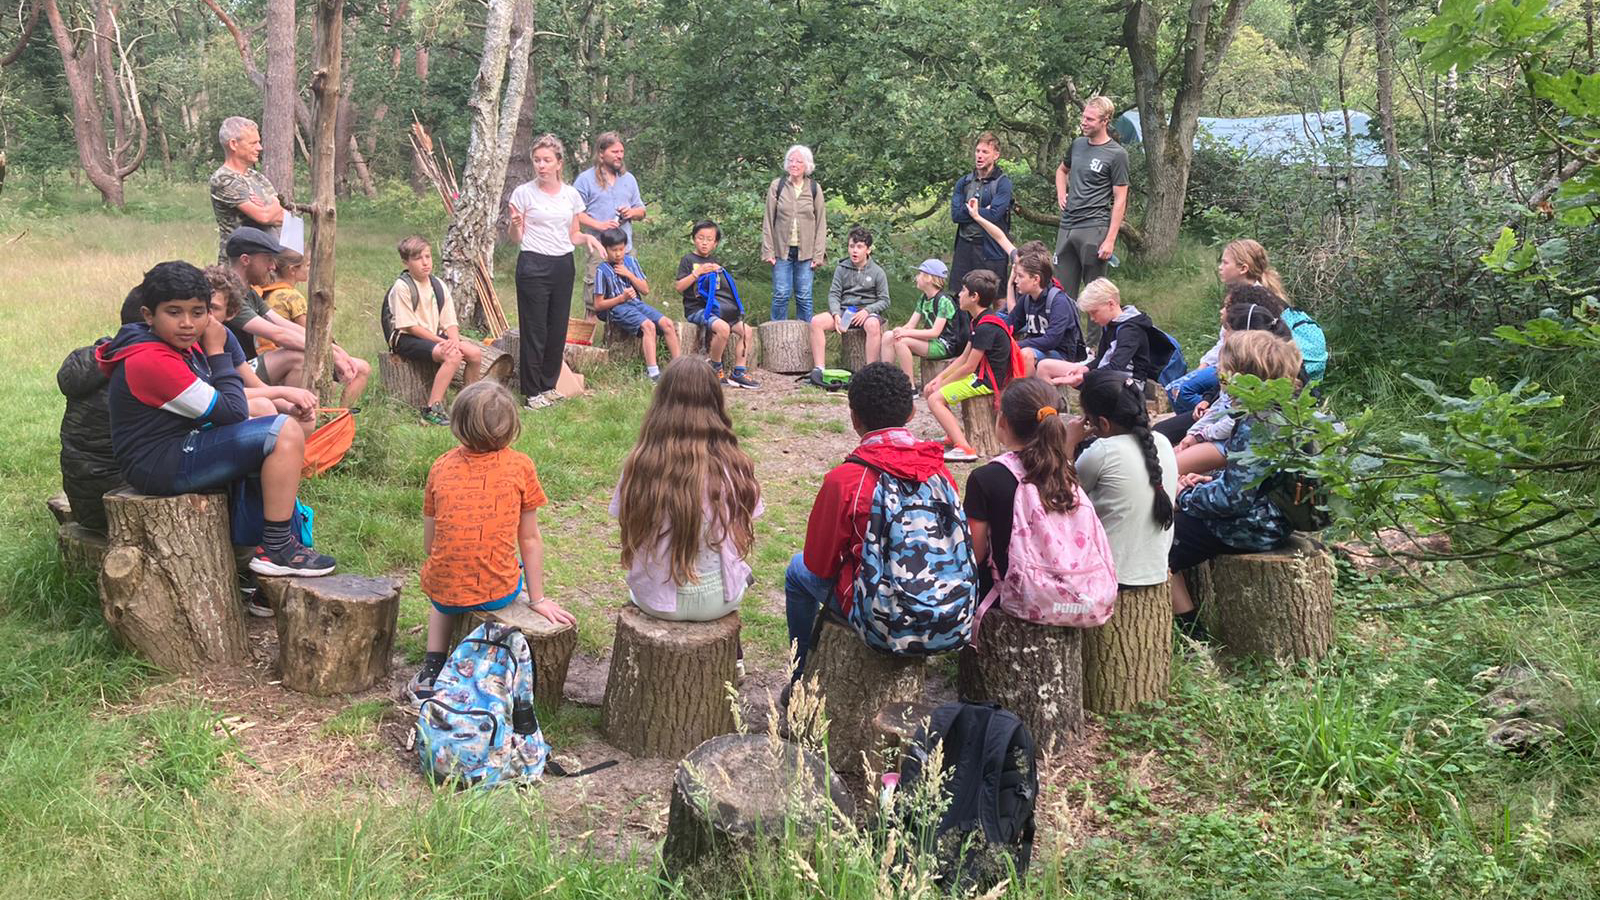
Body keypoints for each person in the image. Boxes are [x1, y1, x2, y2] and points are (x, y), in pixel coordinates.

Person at [95, 261, 334, 578]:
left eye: (197, 312)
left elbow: (217, 401)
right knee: (282, 432)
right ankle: (277, 548)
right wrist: (217, 351)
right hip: (157, 463)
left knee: (270, 435)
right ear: (149, 315)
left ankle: (254, 568)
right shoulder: (151, 359)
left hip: (178, 444)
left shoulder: (172, 345)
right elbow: (230, 410)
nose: (187, 323)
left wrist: (274, 397)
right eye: (174, 312)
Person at [404, 380, 576, 702]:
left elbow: (430, 545)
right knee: (511, 562)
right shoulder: (521, 466)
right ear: (512, 427)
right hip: (498, 592)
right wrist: (537, 600)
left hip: (444, 586)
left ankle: (432, 669)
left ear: (457, 425)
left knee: (441, 599)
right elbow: (529, 538)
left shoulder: (440, 466)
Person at [784, 363, 955, 678]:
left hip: (881, 617)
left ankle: (800, 676)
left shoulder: (846, 480)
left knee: (796, 571)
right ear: (912, 414)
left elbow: (819, 564)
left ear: (854, 418)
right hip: (947, 612)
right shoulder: (939, 471)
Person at [611, 358, 763, 673]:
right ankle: (735, 658)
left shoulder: (641, 463)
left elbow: (624, 519)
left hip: (656, 600)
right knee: (740, 569)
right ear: (715, 402)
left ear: (662, 403)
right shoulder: (734, 464)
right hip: (719, 599)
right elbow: (745, 524)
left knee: (634, 586)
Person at [1166, 331, 1307, 632]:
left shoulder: (1259, 422)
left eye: (1225, 370)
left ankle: (1192, 634)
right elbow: (1252, 479)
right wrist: (1207, 481)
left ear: (1245, 375)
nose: (1220, 376)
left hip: (1254, 526)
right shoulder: (1286, 410)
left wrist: (1183, 496)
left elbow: (1234, 499)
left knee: (1158, 542)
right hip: (1273, 515)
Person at [963, 377, 1108, 601]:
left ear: (1003, 421)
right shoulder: (1065, 471)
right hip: (1075, 590)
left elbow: (977, 552)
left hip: (1011, 597)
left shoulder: (985, 478)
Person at [506, 133, 605, 410]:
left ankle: (549, 386)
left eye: (547, 160)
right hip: (533, 264)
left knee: (556, 328)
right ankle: (532, 391)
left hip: (562, 265)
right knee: (534, 328)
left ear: (559, 163)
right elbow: (516, 237)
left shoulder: (571, 195)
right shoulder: (523, 193)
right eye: (537, 160)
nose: (541, 165)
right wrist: (515, 224)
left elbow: (573, 233)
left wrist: (587, 238)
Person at [1067, 370, 1178, 593]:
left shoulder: (1102, 451)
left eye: (1088, 421)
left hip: (1112, 574)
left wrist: (1067, 445)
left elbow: (1062, 497)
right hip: (1155, 568)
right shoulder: (1162, 442)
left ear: (1103, 424)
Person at [1168, 288, 1299, 475]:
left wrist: (1200, 436)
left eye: (1227, 329)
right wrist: (1193, 434)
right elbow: (1221, 404)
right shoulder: (1242, 368)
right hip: (1222, 432)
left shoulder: (1258, 406)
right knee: (1166, 456)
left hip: (1231, 441)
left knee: (1169, 469)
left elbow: (1234, 421)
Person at [1164, 238, 1293, 415]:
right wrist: (1204, 362)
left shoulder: (1254, 302)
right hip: (1224, 360)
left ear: (1243, 268)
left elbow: (1245, 348)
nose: (1220, 267)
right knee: (1179, 387)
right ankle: (1203, 419)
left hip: (1241, 365)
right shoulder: (1239, 293)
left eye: (1225, 262)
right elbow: (1223, 340)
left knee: (1178, 389)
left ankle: (1209, 418)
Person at [921, 270, 1022, 462]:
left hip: (986, 382)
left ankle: (965, 449)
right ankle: (953, 436)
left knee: (935, 399)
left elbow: (969, 367)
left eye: (963, 291)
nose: (959, 294)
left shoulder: (986, 327)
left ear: (974, 297)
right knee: (930, 392)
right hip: (977, 376)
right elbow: (963, 357)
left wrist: (942, 384)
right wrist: (938, 379)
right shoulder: (978, 320)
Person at [385, 235, 487, 425]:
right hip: (406, 338)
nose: (425, 263)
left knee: (474, 353)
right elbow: (409, 326)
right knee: (453, 356)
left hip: (432, 336)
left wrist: (454, 340)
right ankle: (432, 408)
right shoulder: (402, 287)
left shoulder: (437, 285)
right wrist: (443, 343)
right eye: (418, 259)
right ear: (406, 262)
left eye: (428, 257)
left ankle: (468, 402)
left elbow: (449, 321)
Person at [255, 248, 370, 408]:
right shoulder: (292, 297)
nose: (310, 269)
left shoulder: (267, 292)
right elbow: (313, 336)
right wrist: (336, 352)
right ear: (293, 270)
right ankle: (342, 415)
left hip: (264, 356)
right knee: (362, 369)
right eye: (307, 265)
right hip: (289, 357)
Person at [1054, 97, 1130, 301]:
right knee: (1061, 292)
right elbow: (1062, 170)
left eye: (1090, 119)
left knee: (1096, 295)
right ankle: (1067, 333)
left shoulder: (1117, 154)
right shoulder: (1077, 145)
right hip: (1067, 224)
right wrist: (1062, 193)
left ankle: (1098, 334)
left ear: (1105, 121)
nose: (1083, 122)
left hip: (1094, 226)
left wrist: (1110, 240)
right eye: (1083, 117)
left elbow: (1120, 199)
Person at [1038, 277, 1174, 388]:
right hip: (1107, 376)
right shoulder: (1109, 324)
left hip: (1128, 384)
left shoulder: (1130, 329)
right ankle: (1049, 412)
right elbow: (1100, 359)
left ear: (1111, 304)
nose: (1092, 319)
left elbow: (1116, 367)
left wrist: (1084, 377)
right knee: (1044, 366)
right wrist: (1084, 369)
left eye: (1094, 312)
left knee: (1086, 383)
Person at [674, 219, 760, 389]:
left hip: (718, 308)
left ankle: (739, 372)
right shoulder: (688, 260)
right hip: (697, 309)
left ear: (715, 243)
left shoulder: (715, 261)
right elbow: (679, 287)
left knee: (746, 330)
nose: (704, 242)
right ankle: (715, 367)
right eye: (700, 238)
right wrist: (697, 273)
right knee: (723, 329)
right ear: (693, 239)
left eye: (709, 239)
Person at [573, 132, 647, 315]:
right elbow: (574, 212)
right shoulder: (585, 179)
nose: (619, 155)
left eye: (621, 151)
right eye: (614, 151)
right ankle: (587, 342)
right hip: (599, 249)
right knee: (594, 301)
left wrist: (631, 212)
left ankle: (624, 341)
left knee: (630, 296)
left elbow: (642, 210)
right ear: (601, 153)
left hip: (626, 249)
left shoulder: (628, 179)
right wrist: (599, 225)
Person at [594, 227, 680, 381]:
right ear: (605, 249)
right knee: (649, 326)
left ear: (626, 246)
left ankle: (680, 367)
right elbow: (598, 305)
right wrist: (621, 298)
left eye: (621, 249)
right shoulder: (602, 270)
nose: (618, 253)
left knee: (667, 324)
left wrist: (629, 274)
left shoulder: (631, 262)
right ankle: (653, 373)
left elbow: (645, 290)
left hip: (636, 303)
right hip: (617, 308)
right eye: (614, 250)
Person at [806, 226, 890, 383]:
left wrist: (867, 310)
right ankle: (819, 369)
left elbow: (885, 300)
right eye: (852, 246)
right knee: (816, 321)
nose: (854, 251)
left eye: (859, 247)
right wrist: (836, 313)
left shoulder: (878, 272)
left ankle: (870, 371)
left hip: (866, 313)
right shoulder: (841, 268)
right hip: (845, 311)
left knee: (872, 325)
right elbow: (834, 294)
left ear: (868, 250)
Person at [762, 144, 827, 321]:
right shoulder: (778, 185)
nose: (794, 164)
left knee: (804, 297)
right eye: (791, 160)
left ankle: (806, 340)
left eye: (799, 161)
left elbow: (821, 224)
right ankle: (777, 337)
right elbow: (768, 220)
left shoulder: (814, 188)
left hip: (806, 253)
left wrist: (818, 255)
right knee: (781, 295)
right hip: (781, 251)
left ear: (806, 165)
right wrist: (768, 251)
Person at [209, 116, 286, 263]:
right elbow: (264, 217)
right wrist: (271, 206)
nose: (260, 147)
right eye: (253, 143)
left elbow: (284, 216)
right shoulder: (224, 179)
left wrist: (268, 210)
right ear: (233, 144)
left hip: (266, 264)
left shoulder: (257, 177)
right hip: (238, 268)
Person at [948, 132, 1014, 291]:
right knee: (959, 294)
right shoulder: (963, 182)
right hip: (964, 246)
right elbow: (955, 215)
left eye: (985, 152)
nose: (979, 156)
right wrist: (979, 211)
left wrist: (971, 211)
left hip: (991, 249)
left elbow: (995, 215)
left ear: (996, 155)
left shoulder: (1003, 183)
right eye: (977, 151)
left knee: (997, 297)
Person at [883, 258, 964, 383]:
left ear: (929, 278)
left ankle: (909, 387)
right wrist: (899, 330)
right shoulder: (923, 299)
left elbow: (934, 333)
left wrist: (905, 333)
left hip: (943, 345)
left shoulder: (944, 301)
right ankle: (886, 380)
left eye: (919, 274)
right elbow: (910, 325)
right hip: (930, 342)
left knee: (902, 342)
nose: (917, 277)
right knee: (888, 336)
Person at [1004, 252, 1084, 376]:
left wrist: (1015, 345)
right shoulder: (1026, 299)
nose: (1015, 280)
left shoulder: (1059, 302)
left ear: (1036, 279)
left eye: (1020, 276)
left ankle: (1024, 393)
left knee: (1025, 354)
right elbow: (1009, 324)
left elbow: (1051, 340)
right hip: (1036, 349)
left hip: (1060, 355)